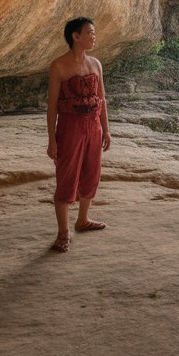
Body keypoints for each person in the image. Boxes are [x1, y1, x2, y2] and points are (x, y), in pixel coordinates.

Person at [46, 16, 111, 252]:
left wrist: (106, 129)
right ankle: (63, 233)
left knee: (92, 172)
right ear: (76, 36)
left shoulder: (96, 64)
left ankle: (82, 220)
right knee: (67, 176)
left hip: (93, 125)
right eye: (90, 32)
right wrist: (51, 139)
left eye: (94, 32)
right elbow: (52, 106)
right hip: (70, 126)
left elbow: (102, 100)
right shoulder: (59, 66)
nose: (94, 36)